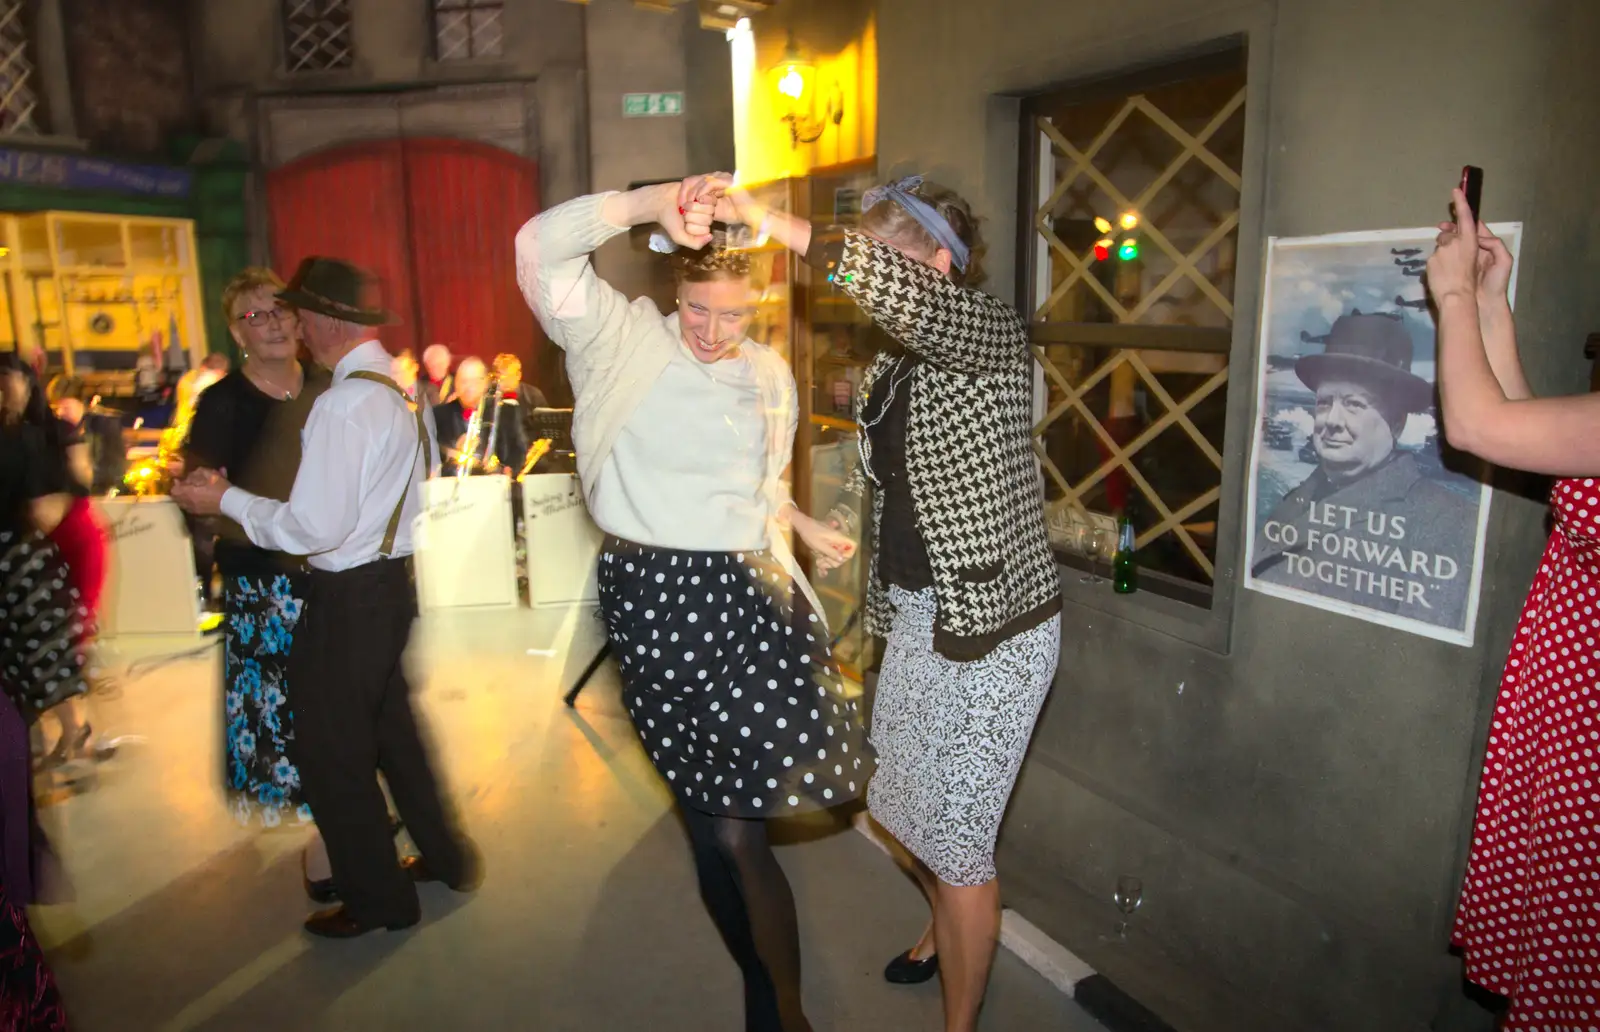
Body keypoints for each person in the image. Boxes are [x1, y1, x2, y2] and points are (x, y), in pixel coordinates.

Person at [697, 172, 1062, 1032]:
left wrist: (758, 216)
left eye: (886, 257)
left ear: (939, 262)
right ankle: (939, 931)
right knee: (900, 804)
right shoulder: (894, 367)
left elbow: (881, 286)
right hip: (919, 619)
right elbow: (870, 436)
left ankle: (959, 1020)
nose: (864, 276)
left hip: (998, 630)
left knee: (962, 843)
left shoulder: (988, 331)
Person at [515, 180, 870, 1032]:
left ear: (759, 307)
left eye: (734, 316)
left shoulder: (769, 375)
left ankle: (781, 1012)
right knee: (710, 819)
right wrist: (650, 202)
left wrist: (799, 524)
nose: (714, 333)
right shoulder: (617, 340)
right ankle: (762, 984)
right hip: (655, 603)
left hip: (750, 599)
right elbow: (537, 246)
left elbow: (754, 488)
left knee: (741, 829)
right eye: (699, 312)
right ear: (675, 291)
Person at [173, 257, 479, 939]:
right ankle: (447, 856)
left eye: (300, 311)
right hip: (387, 588)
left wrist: (224, 497)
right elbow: (418, 477)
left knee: (331, 754)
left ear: (328, 319)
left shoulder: (344, 404)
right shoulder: (393, 390)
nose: (294, 324)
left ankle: (380, 902)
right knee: (394, 735)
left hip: (346, 595)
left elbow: (315, 526)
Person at [1430, 186, 1600, 1030]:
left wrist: (1453, 293)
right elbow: (1534, 433)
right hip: (1567, 729)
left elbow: (1475, 425)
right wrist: (1494, 303)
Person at [183, 268, 343, 896]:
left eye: (280, 311)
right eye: (255, 316)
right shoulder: (222, 404)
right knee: (285, 714)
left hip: (333, 572)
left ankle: (342, 818)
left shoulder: (331, 390)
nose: (273, 323)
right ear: (235, 330)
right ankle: (324, 837)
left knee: (340, 705)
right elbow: (200, 498)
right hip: (263, 582)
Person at [1250, 311, 1477, 627]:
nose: (1331, 420)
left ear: (1396, 423)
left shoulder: (1449, 521)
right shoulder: (1294, 500)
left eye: (1354, 404)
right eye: (1324, 402)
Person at [0, 358, 107, 777]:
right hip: (30, 548)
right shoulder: (20, 435)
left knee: (50, 645)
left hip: (42, 545)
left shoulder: (40, 434)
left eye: (7, 382)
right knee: (32, 651)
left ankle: (72, 732)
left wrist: (40, 519)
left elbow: (73, 485)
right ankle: (56, 736)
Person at [433, 356, 529, 477]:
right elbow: (427, 451)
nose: (468, 387)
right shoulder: (438, 414)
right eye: (463, 381)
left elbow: (518, 449)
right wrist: (451, 450)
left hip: (494, 485)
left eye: (475, 381)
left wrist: (508, 471)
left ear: (486, 383)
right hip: (452, 486)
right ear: (455, 383)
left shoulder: (506, 412)